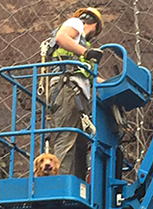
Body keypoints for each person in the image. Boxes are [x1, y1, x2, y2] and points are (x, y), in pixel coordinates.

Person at [48, 7, 104, 180]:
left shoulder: (80, 45)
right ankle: (60, 185)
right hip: (67, 88)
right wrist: (86, 53)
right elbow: (61, 37)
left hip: (77, 93)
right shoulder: (76, 23)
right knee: (66, 137)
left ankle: (77, 185)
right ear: (94, 25)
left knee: (80, 143)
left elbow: (90, 77)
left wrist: (112, 83)